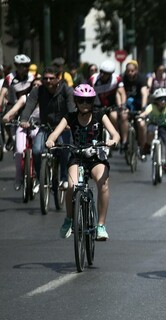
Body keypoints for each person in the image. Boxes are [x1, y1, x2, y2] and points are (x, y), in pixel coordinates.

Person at [45, 84, 120, 239]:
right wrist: (50, 141)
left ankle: (101, 225)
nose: (84, 104)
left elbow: (115, 134)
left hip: (96, 157)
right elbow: (55, 133)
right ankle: (69, 219)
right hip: (77, 157)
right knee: (71, 186)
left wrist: (113, 141)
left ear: (93, 101)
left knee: (103, 185)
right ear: (76, 101)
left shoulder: (100, 115)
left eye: (88, 101)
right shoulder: (70, 117)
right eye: (81, 101)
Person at [20, 66, 76, 190]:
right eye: (45, 78)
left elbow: (71, 108)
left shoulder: (67, 90)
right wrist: (24, 120)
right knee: (36, 151)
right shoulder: (38, 90)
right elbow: (29, 105)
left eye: (51, 78)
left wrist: (70, 122)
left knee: (64, 150)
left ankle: (64, 178)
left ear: (58, 78)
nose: (48, 81)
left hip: (63, 128)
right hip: (45, 126)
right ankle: (41, 180)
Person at [138, 88, 166, 173]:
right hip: (153, 124)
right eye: (160, 99)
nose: (163, 101)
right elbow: (145, 113)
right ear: (156, 100)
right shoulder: (152, 106)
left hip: (164, 126)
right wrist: (141, 116)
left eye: (165, 99)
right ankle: (148, 146)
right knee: (149, 132)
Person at [89, 60, 126, 142]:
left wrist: (123, 104)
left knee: (114, 116)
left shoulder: (116, 79)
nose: (102, 74)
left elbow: (122, 92)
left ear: (110, 74)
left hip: (111, 105)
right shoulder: (93, 79)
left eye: (105, 73)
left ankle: (115, 137)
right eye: (101, 71)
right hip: (97, 105)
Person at [120, 60, 149, 155]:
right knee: (123, 116)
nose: (129, 73)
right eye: (128, 71)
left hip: (139, 104)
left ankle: (142, 147)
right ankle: (124, 142)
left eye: (132, 71)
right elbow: (120, 92)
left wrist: (143, 108)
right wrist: (122, 105)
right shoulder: (123, 78)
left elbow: (144, 93)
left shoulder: (141, 78)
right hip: (127, 104)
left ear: (136, 70)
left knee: (141, 124)